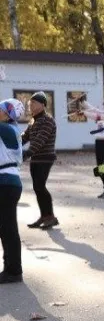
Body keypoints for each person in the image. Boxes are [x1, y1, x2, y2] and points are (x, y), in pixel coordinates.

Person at [21, 92, 59, 230]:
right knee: (38, 188)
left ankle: (50, 217)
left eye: (34, 103)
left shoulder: (47, 120)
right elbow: (24, 137)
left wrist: (26, 154)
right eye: (30, 103)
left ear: (43, 105)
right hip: (36, 158)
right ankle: (44, 216)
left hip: (45, 158)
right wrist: (12, 144)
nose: (30, 105)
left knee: (40, 186)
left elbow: (40, 140)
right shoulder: (33, 121)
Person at [0, 99, 24, 284]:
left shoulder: (7, 129)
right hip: (7, 181)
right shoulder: (9, 128)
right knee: (5, 228)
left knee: (8, 228)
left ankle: (14, 270)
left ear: (7, 114)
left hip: (7, 182)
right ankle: (9, 267)